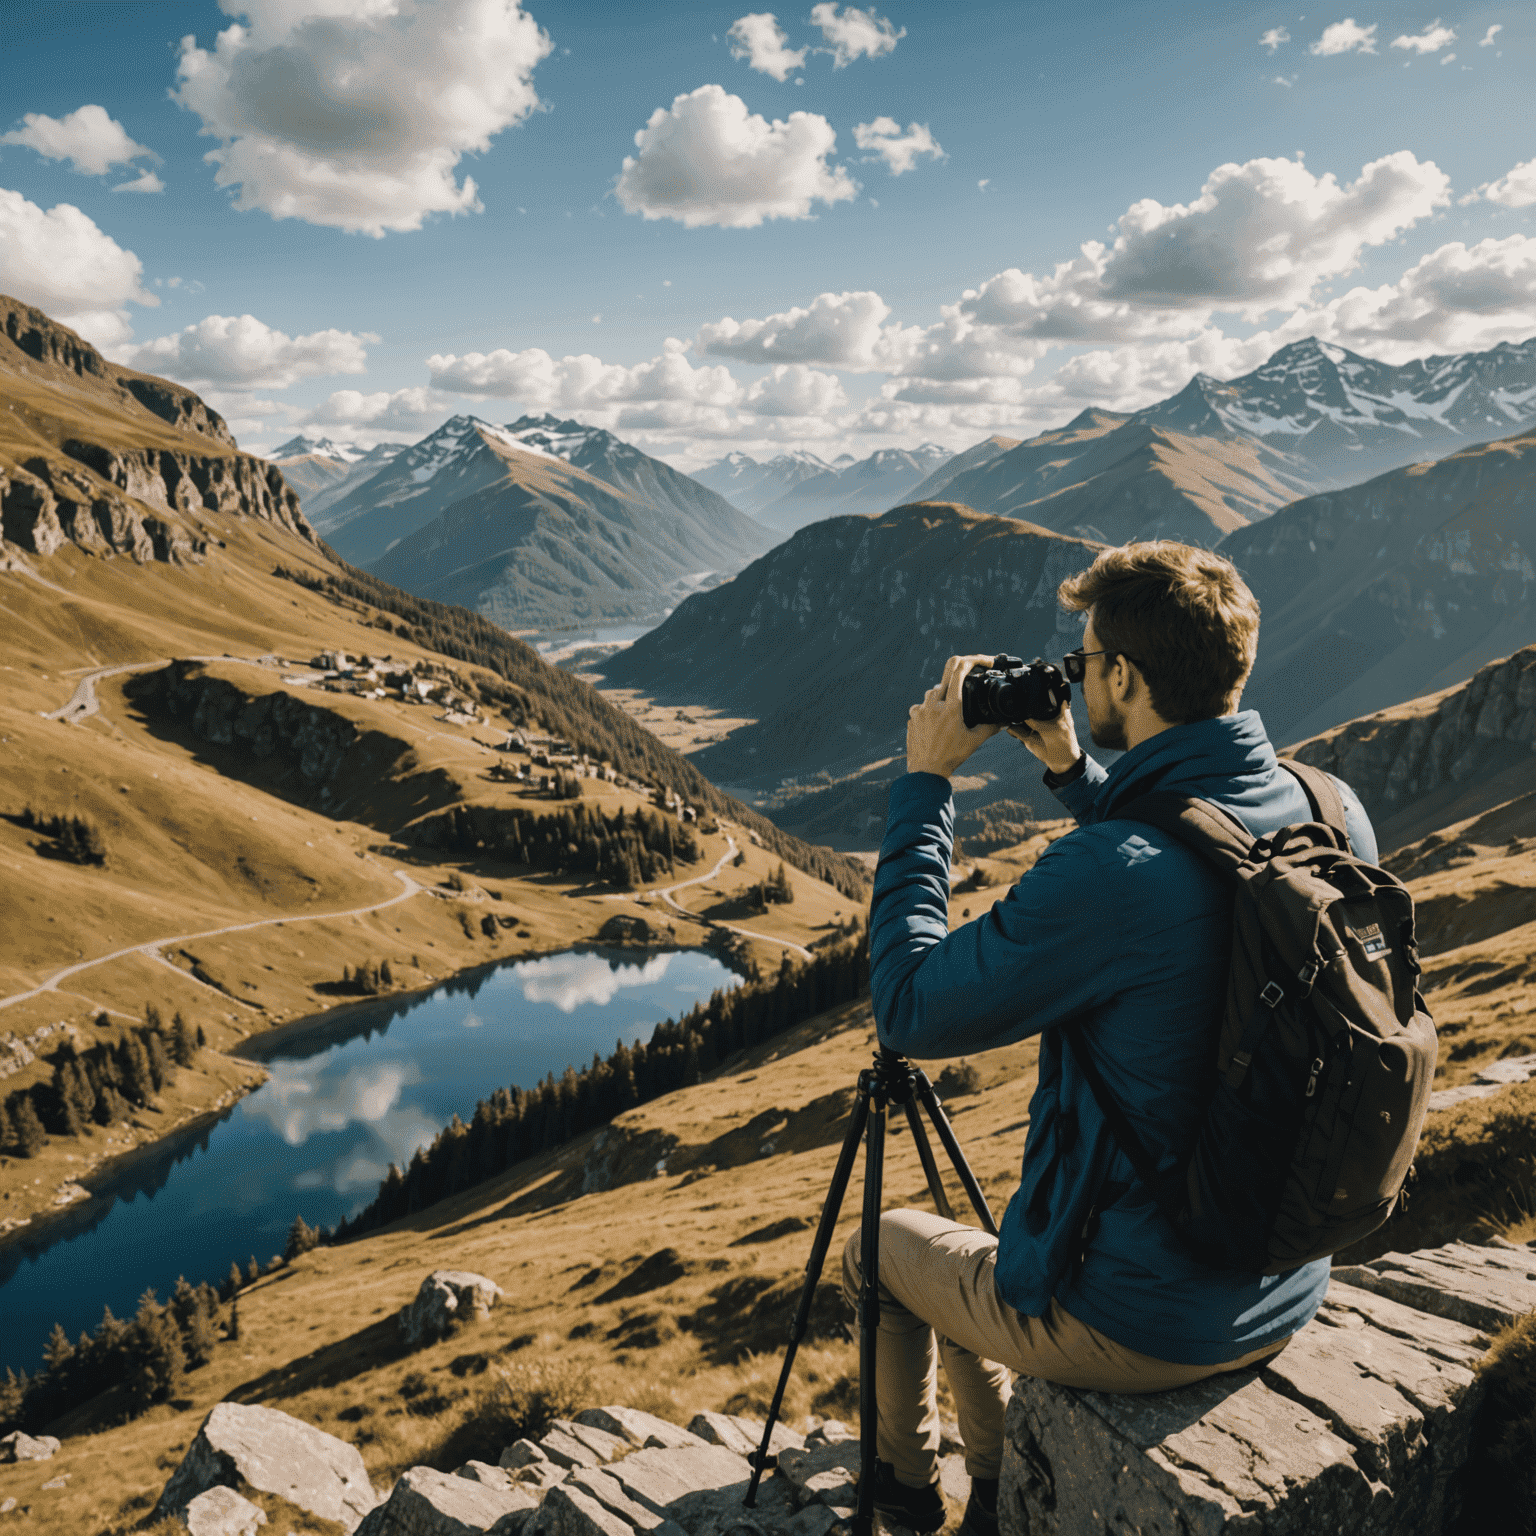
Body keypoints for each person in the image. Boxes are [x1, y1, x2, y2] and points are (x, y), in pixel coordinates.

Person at [846, 541, 1377, 1536]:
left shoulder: (1112, 872)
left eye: (1087, 662)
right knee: (978, 1257)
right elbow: (1201, 861)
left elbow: (910, 1007)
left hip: (1146, 1321)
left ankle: (917, 1498)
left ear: (1127, 676)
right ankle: (996, 1472)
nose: (1077, 675)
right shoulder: (1331, 812)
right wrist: (1072, 768)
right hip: (1285, 1276)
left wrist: (928, 788)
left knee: (881, 1251)